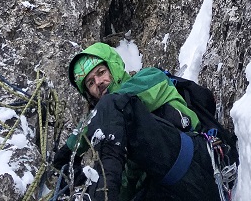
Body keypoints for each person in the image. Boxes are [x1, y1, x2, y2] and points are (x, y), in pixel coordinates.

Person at [52, 41, 227, 201]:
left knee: (113, 104)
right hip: (166, 188)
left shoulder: (149, 77)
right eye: (90, 83)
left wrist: (71, 146)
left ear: (114, 68)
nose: (98, 82)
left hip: (196, 164)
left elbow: (117, 102)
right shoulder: (114, 129)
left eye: (101, 72)